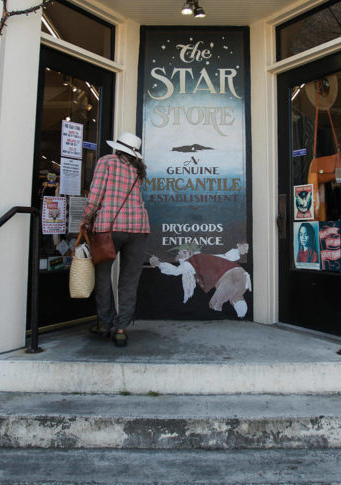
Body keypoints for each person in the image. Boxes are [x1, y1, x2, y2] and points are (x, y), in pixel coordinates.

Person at [82, 131, 150, 347]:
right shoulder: (138, 169)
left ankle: (104, 324)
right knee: (129, 281)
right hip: (138, 228)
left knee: (103, 276)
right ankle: (121, 329)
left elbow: (96, 195)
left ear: (117, 147)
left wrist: (86, 219)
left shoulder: (107, 161)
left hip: (108, 228)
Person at [148, 242, 251, 318]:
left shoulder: (191, 262)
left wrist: (159, 264)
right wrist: (238, 250)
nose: (179, 256)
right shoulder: (206, 257)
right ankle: (239, 304)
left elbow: (176, 271)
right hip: (241, 275)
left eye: (182, 253)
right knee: (235, 294)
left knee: (216, 303)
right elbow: (227, 257)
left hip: (226, 278)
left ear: (189, 252)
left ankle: (236, 306)